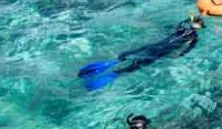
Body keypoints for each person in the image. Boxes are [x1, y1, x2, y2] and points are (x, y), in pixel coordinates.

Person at [78, 16, 206, 90]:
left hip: (156, 48)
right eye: (197, 24)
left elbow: (189, 47)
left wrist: (181, 54)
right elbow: (187, 41)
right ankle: (114, 70)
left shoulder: (189, 34)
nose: (196, 26)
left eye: (198, 24)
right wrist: (180, 55)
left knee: (131, 59)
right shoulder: (185, 31)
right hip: (158, 51)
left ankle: (112, 70)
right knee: (135, 62)